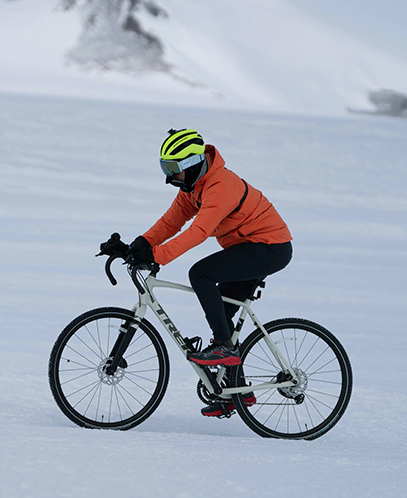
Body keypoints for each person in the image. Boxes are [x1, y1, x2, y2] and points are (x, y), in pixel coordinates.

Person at [101, 128, 293, 417]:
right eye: (164, 168)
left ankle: (225, 350)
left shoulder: (219, 187)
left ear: (191, 165)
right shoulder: (194, 186)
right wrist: (138, 244)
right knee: (223, 315)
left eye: (173, 169)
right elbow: (170, 222)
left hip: (269, 247)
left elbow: (199, 232)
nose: (168, 177)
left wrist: (156, 256)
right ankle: (237, 393)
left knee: (201, 273)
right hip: (245, 247)